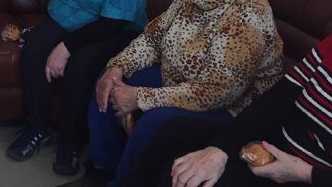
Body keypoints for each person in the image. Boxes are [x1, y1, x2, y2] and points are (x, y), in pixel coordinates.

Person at [84, 0, 289, 186]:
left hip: (228, 108)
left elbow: (215, 92)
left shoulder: (248, 16)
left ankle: (124, 182)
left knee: (155, 123)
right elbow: (154, 36)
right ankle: (104, 168)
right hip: (179, 81)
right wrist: (118, 66)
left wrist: (140, 98)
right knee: (108, 82)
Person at [5, 0, 149, 177]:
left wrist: (65, 47)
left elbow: (111, 23)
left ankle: (70, 141)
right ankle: (37, 127)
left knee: (81, 64)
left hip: (111, 29)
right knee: (34, 50)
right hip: (65, 14)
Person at [120, 34, 332, 187]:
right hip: (273, 144)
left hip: (310, 175)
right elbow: (276, 101)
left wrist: (304, 173)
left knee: (188, 177)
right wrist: (219, 150)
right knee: (173, 132)